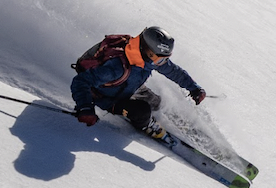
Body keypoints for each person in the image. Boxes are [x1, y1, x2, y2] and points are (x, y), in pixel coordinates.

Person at [71, 26, 206, 139]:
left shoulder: (150, 59)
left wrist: (193, 87)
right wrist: (85, 107)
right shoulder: (116, 68)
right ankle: (147, 125)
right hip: (108, 98)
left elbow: (173, 71)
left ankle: (170, 120)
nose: (162, 63)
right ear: (148, 52)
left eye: (165, 59)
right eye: (160, 60)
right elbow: (80, 81)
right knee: (142, 111)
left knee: (157, 102)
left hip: (128, 88)